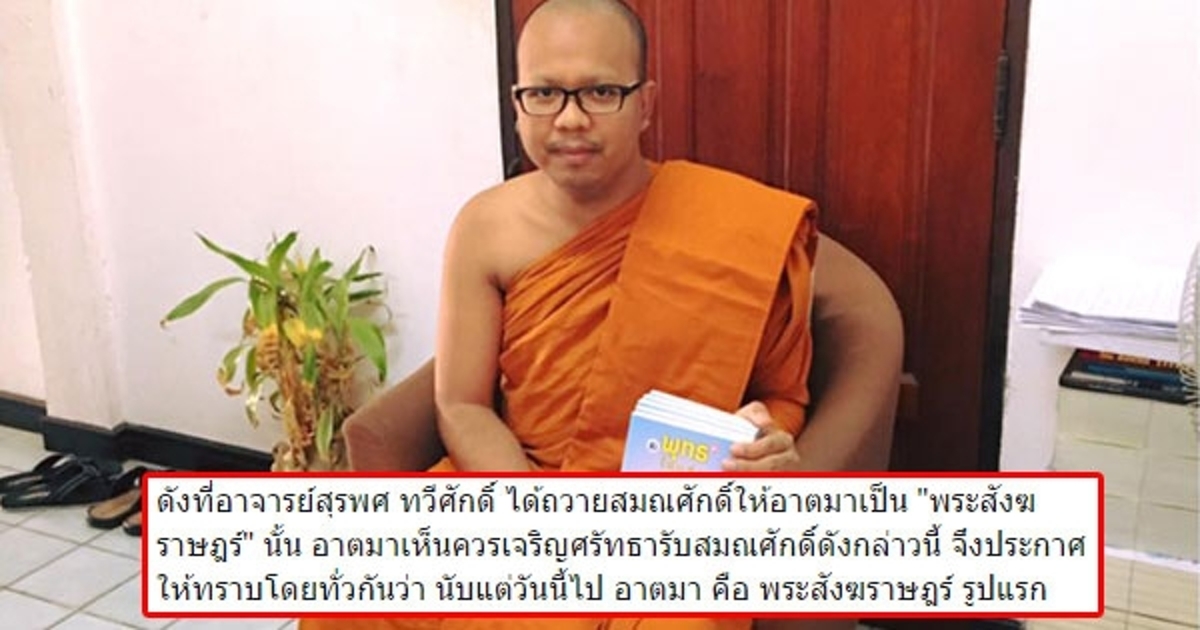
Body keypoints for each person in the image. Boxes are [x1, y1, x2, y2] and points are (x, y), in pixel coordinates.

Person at [303, 0, 903, 628]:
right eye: (544, 93)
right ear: (517, 103)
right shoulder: (484, 227)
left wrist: (765, 446)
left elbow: (778, 398)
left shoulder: (738, 230)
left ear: (645, 104)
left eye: (600, 92)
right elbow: (461, 403)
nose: (570, 119)